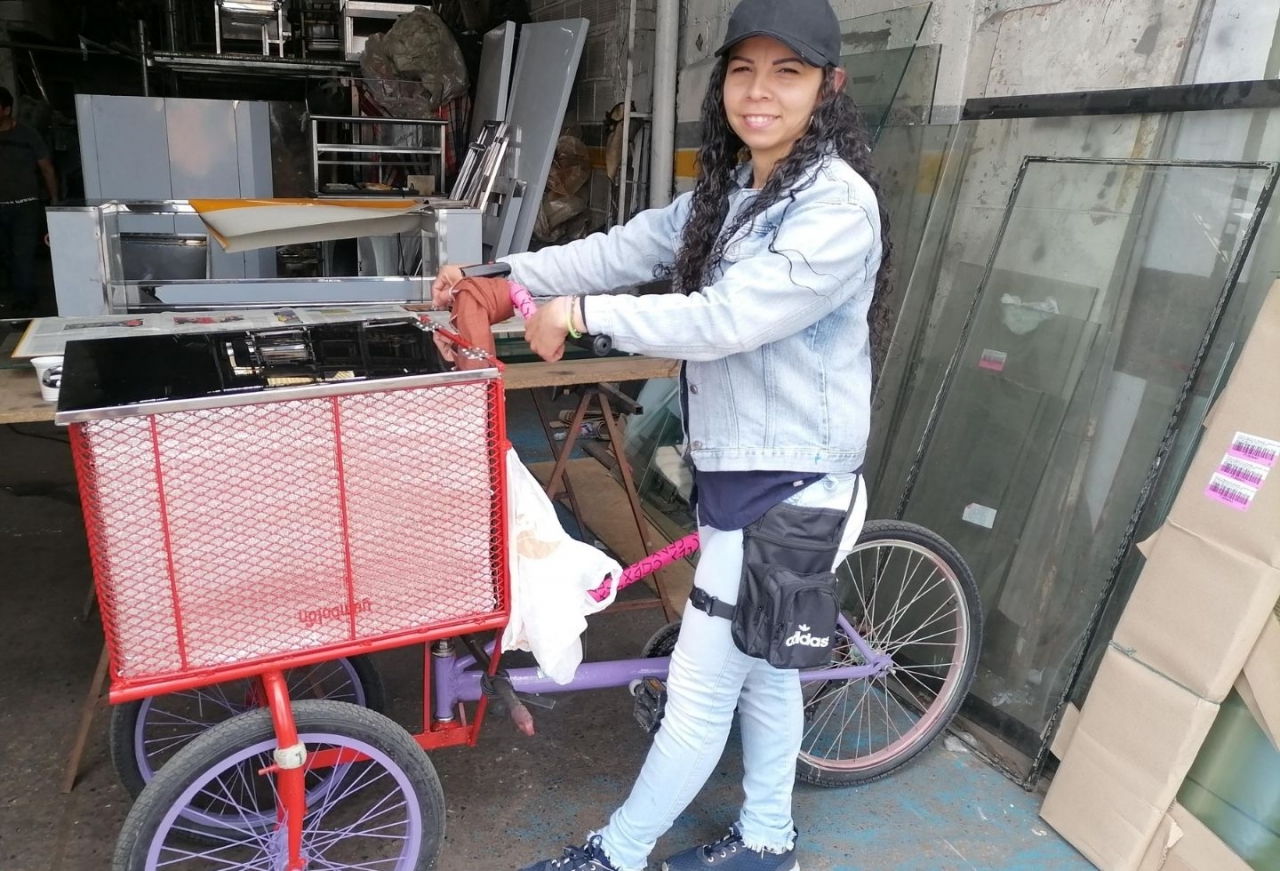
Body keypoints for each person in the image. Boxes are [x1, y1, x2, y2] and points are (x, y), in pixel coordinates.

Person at [434, 0, 893, 867]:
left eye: (787, 72)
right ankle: (768, 839)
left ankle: (619, 852)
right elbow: (620, 247)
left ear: (829, 87)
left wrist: (580, 318)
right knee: (766, 673)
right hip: (747, 481)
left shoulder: (838, 209)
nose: (759, 92)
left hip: (794, 494)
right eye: (743, 70)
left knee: (701, 688)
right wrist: (504, 278)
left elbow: (726, 318)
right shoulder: (741, 192)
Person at [0, 86, 57, 315]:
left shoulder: (27, 135)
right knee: (4, 253)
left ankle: (23, 300)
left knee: (22, 253)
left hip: (25, 205)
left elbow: (47, 169)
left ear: (7, 109)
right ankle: (20, 292)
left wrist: (55, 201)